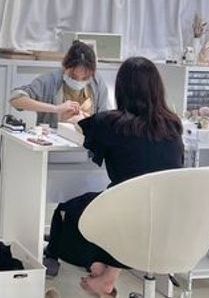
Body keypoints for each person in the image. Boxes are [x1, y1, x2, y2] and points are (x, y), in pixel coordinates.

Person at [43, 57, 184, 297]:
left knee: (67, 212)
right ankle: (105, 278)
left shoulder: (113, 122)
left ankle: (100, 273)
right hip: (165, 218)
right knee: (116, 212)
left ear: (122, 89)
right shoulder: (173, 125)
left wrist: (78, 118)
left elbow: (82, 127)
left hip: (124, 212)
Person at [9, 41, 111, 127]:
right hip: (55, 140)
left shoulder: (96, 83)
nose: (79, 81)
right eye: (73, 76)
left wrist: (89, 120)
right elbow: (15, 99)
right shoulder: (50, 81)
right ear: (65, 67)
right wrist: (56, 109)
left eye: (85, 78)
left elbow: (106, 119)